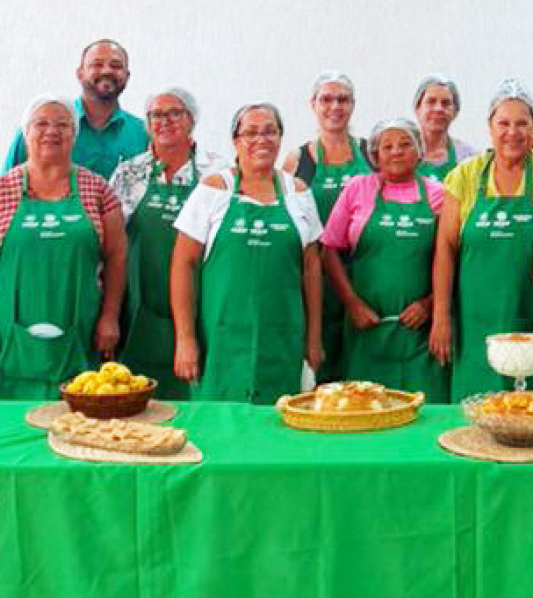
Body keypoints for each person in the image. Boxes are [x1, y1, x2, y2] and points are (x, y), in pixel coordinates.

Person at [0, 96, 126, 400]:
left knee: (80, 426)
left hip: (80, 334)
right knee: (10, 429)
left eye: (63, 125)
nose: (52, 131)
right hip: (10, 340)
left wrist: (110, 316)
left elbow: (117, 257)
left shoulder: (98, 190)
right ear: (26, 134)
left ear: (74, 135)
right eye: (42, 124)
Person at [170, 103, 324, 403]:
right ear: (235, 140)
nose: (261, 140)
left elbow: (312, 269)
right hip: (221, 336)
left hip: (283, 334)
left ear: (280, 138)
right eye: (250, 133)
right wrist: (185, 338)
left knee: (280, 424)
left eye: (270, 131)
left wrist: (314, 338)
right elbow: (182, 264)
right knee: (219, 425)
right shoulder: (215, 189)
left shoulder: (298, 192)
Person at [431, 78, 533, 398]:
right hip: (474, 318)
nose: (513, 132)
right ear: (490, 127)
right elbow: (445, 248)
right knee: (476, 407)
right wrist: (441, 316)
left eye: (522, 123)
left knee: (530, 406)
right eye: (504, 123)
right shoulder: (465, 175)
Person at [108, 87, 227, 399]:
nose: (165, 121)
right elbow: (110, 243)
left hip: (201, 304)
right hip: (138, 308)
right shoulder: (129, 173)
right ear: (146, 124)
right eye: (156, 115)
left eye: (176, 113)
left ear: (192, 120)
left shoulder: (217, 173)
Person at [321, 118, 449, 400]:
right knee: (365, 409)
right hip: (366, 329)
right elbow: (329, 249)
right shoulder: (358, 189)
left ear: (419, 152)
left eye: (405, 145)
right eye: (387, 146)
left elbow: (450, 257)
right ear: (375, 155)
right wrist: (352, 304)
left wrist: (429, 305)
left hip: (420, 333)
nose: (396, 152)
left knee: (423, 413)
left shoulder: (438, 195)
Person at [285, 70, 371, 382]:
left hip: (361, 276)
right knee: (317, 363)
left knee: (359, 366)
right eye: (326, 99)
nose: (334, 106)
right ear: (313, 105)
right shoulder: (298, 159)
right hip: (315, 276)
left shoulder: (369, 153)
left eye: (342, 99)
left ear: (353, 105)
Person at [3, 40, 148, 180]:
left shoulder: (144, 134)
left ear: (127, 77)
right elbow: (5, 190)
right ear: (80, 74)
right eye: (97, 64)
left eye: (116, 66)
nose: (106, 70)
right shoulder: (38, 130)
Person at [413, 73, 478, 180]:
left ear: (455, 112)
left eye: (446, 103)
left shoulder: (468, 158)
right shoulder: (399, 155)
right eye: (431, 102)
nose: (438, 109)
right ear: (417, 108)